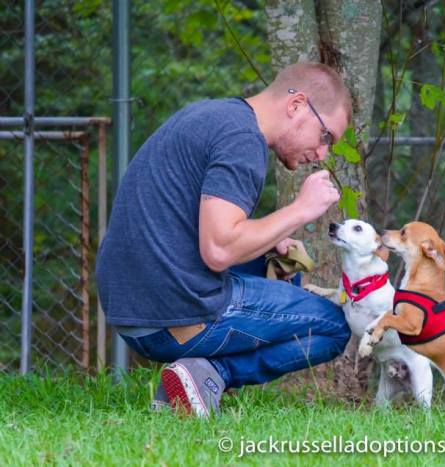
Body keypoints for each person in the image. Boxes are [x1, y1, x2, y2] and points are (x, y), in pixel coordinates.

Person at [96, 62, 353, 417]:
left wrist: (268, 240)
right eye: (326, 136)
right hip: (171, 317)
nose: (323, 153)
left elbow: (195, 229)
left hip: (132, 310)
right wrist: (301, 209)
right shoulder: (242, 140)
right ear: (296, 105)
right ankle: (210, 375)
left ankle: (189, 380)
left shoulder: (214, 116)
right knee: (336, 327)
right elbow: (217, 250)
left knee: (277, 264)